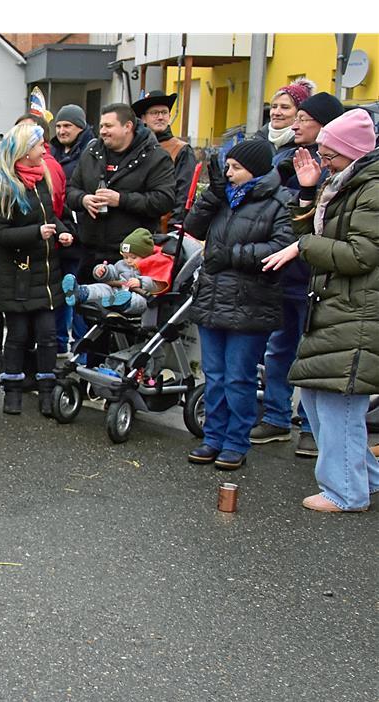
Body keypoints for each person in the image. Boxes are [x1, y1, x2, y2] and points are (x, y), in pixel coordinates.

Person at [262, 109, 379, 511]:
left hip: (358, 310)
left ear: (353, 152)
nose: (322, 162)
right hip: (336, 306)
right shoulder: (345, 184)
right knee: (314, 397)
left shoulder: (372, 188)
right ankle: (368, 480)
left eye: (329, 156)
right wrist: (309, 192)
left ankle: (346, 493)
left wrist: (304, 247)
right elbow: (310, 236)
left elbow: (362, 254)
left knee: (338, 402)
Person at [183, 138, 294, 471]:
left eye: (235, 168)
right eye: (227, 166)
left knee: (238, 378)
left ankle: (236, 442)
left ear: (255, 170)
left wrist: (231, 255)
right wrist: (213, 194)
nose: (229, 173)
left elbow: (281, 247)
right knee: (214, 376)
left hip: (251, 303)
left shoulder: (278, 201)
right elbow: (192, 227)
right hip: (213, 299)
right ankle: (212, 438)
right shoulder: (224, 198)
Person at [255, 92, 344, 456]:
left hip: (319, 277)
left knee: (312, 355)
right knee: (279, 348)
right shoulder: (286, 161)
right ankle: (276, 418)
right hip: (286, 274)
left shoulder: (339, 170)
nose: (295, 124)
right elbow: (286, 215)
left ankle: (309, 427)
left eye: (303, 117)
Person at [0, 124, 71, 415]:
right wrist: (36, 233)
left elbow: (53, 216)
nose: (44, 150)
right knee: (17, 335)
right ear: (24, 151)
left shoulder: (42, 177)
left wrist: (63, 231)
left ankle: (46, 392)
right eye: (39, 146)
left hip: (44, 275)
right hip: (16, 274)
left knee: (47, 335)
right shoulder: (2, 187)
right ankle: (13, 392)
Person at [65, 103, 176, 283]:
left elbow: (164, 200)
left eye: (109, 126)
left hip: (131, 257)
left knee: (120, 309)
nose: (102, 131)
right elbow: (70, 190)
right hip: (90, 251)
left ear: (127, 127)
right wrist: (83, 199)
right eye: (101, 126)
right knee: (87, 304)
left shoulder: (155, 157)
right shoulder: (92, 152)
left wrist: (121, 200)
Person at [62, 227, 172, 315]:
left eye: (133, 257)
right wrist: (103, 271)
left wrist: (141, 282)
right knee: (103, 288)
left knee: (139, 301)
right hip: (118, 290)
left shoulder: (151, 266)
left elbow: (157, 285)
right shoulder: (122, 264)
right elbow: (112, 273)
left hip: (140, 295)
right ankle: (81, 293)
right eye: (125, 257)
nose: (128, 261)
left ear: (145, 256)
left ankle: (122, 303)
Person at [132, 90, 196, 226]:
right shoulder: (134, 147)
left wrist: (174, 227)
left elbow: (183, 194)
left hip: (164, 226)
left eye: (164, 112)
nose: (160, 117)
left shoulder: (181, 149)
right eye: (154, 113)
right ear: (143, 118)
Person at [255, 78, 315, 151]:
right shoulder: (258, 140)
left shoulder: (307, 145)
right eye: (274, 107)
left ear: (299, 113)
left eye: (285, 107)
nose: (276, 113)